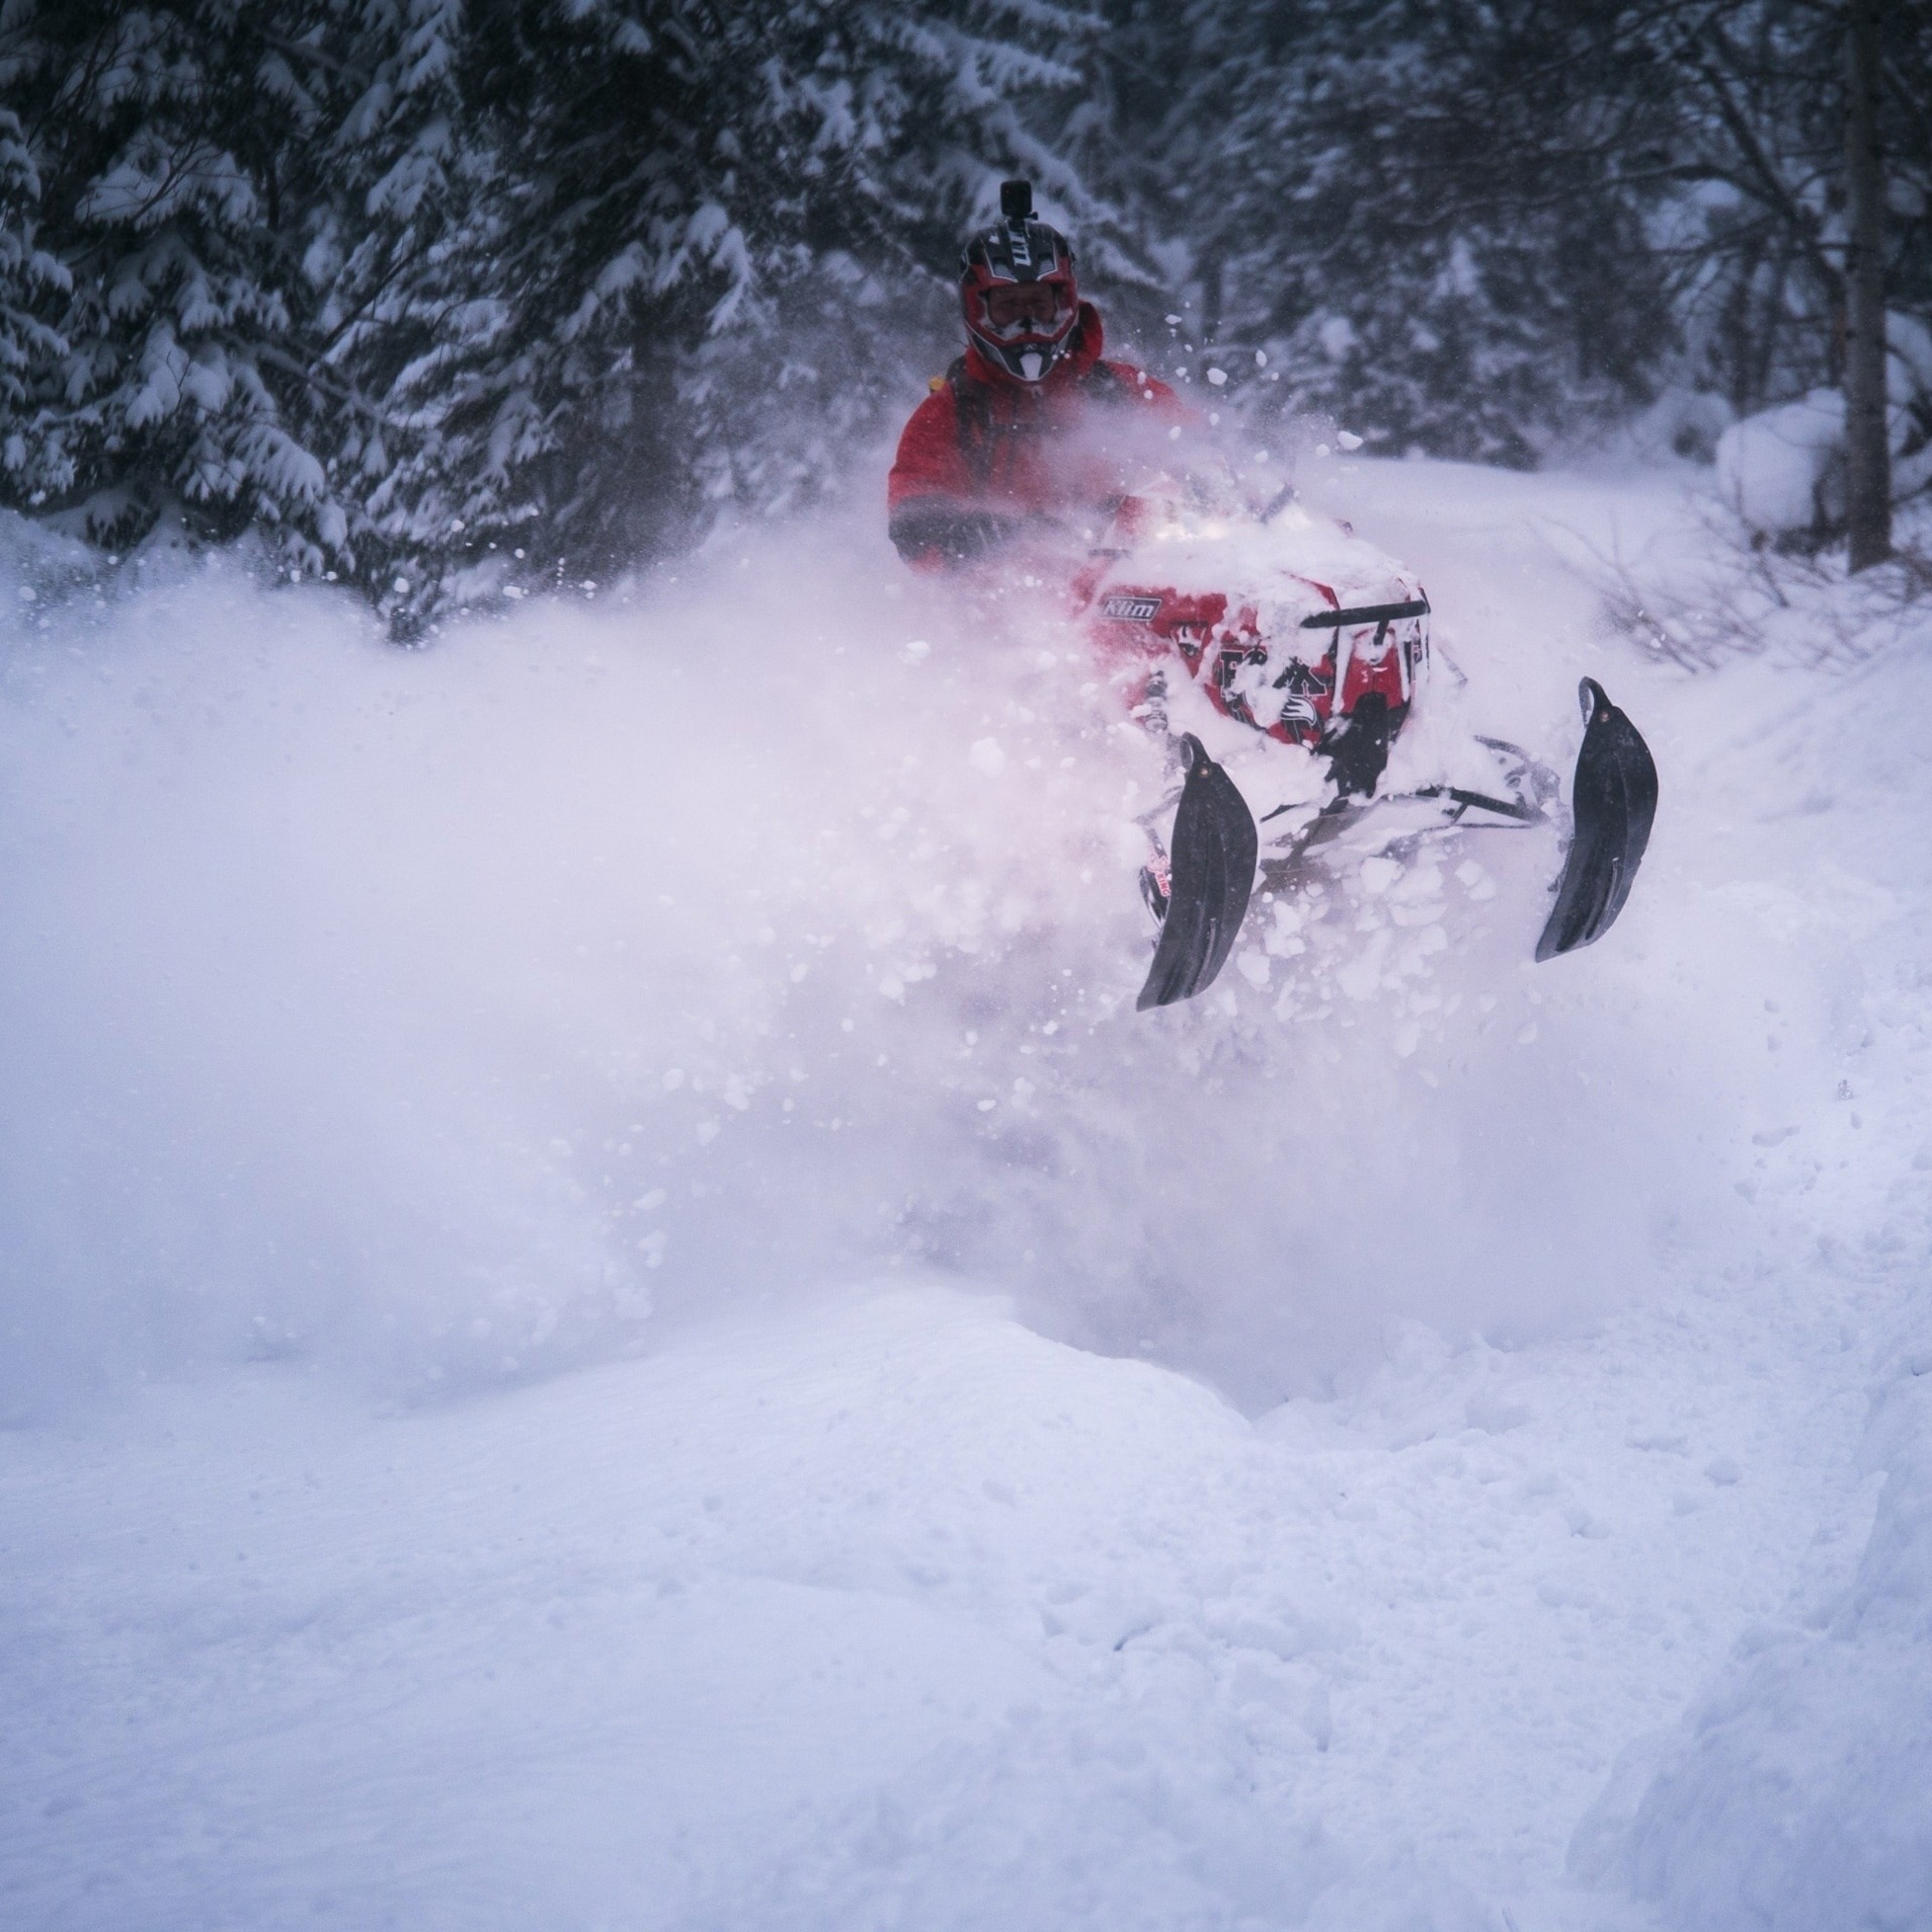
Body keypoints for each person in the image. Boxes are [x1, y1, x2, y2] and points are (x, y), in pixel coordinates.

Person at [888, 181, 1184, 571]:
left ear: (1065, 304)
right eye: (1009, 309)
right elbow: (913, 510)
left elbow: (1197, 446)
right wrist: (966, 531)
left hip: (1145, 577)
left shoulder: (1123, 391)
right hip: (1007, 602)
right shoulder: (951, 413)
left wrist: (1226, 484)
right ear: (978, 311)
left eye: (1038, 306)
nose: (1027, 325)